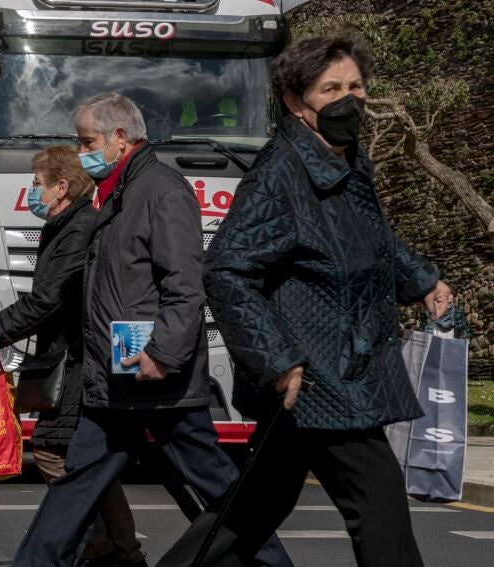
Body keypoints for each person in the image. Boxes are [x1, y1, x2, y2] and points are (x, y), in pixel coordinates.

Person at [160, 33, 452, 567]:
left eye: (356, 86)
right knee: (380, 503)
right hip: (318, 374)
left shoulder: (347, 158)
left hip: (339, 367)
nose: (349, 99)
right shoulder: (279, 175)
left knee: (254, 507)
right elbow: (225, 269)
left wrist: (421, 280)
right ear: (296, 103)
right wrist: (276, 359)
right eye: (331, 89)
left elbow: (369, 239)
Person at [13, 93, 291, 567]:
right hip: (115, 380)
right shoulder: (119, 192)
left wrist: (162, 352)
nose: (81, 153)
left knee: (216, 486)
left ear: (120, 138)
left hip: (159, 382)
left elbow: (185, 284)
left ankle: (272, 564)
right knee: (76, 485)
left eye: (88, 143)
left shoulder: (162, 190)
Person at [0, 146, 144, 567]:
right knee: (92, 463)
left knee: (54, 452)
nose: (33, 192)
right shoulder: (64, 226)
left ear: (61, 187)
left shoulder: (78, 229)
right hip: (70, 357)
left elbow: (50, 298)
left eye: (37, 184)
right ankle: (124, 553)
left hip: (79, 360)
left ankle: (99, 548)